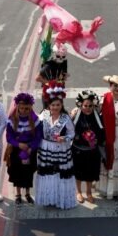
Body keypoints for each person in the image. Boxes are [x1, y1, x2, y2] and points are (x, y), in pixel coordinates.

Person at [35, 81, 76, 209]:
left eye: (58, 105)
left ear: (61, 105)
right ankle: (49, 199)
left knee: (60, 174)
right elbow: (35, 126)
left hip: (61, 149)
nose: (55, 107)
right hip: (46, 148)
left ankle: (60, 199)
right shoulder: (43, 115)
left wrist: (65, 138)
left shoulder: (66, 118)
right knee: (47, 173)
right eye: (53, 105)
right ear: (49, 105)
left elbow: (72, 133)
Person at [5, 92, 41, 204]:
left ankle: (27, 193)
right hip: (17, 149)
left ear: (30, 107)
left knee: (28, 172)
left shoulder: (35, 120)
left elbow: (38, 136)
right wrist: (18, 144)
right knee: (17, 172)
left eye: (27, 108)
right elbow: (9, 136)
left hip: (30, 150)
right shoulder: (12, 119)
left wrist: (31, 147)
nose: (24, 111)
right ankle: (18, 193)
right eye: (22, 108)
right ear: (17, 107)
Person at [70, 90, 104, 204]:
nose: (88, 108)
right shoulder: (75, 115)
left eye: (90, 106)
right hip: (78, 150)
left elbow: (101, 132)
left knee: (90, 173)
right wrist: (79, 137)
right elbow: (70, 131)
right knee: (78, 172)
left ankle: (89, 192)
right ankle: (78, 191)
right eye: (85, 105)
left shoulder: (97, 116)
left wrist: (95, 139)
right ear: (80, 105)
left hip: (92, 151)